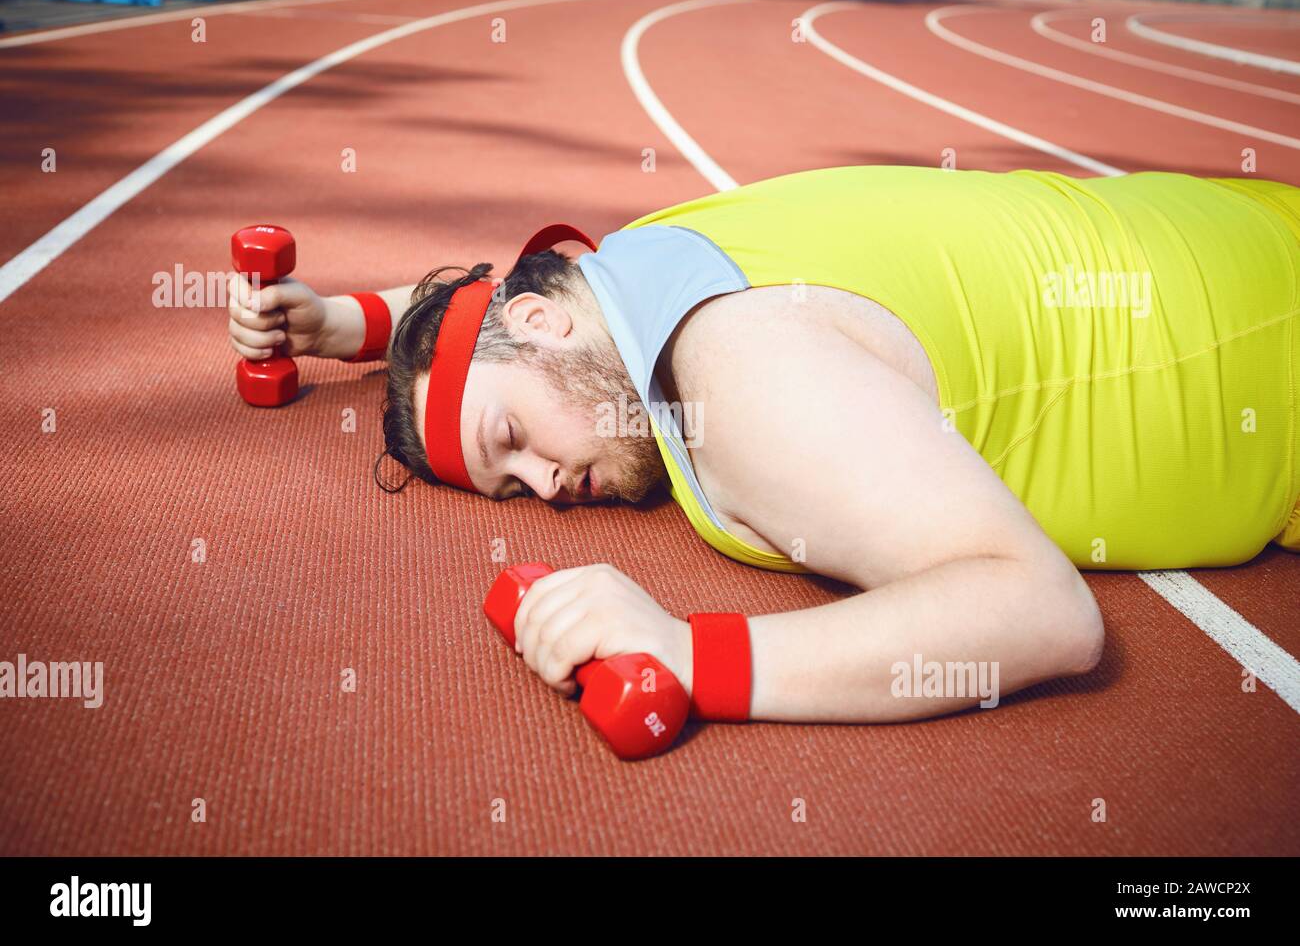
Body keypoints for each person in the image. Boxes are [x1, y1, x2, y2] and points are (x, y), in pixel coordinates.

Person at [227, 166, 1300, 724]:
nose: (546, 486)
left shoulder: (742, 387)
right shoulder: (631, 267)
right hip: (1241, 235)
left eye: (513, 438)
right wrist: (342, 322)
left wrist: (691, 653)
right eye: (511, 487)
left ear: (545, 322)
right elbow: (464, 295)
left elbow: (1042, 612)